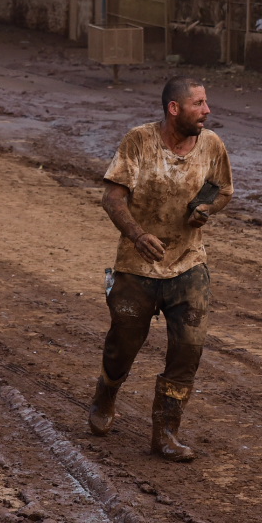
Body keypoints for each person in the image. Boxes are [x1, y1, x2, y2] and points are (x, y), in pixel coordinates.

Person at [89, 75, 233, 462]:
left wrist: (204, 209)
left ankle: (166, 433)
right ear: (175, 108)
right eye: (198, 104)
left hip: (189, 265)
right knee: (123, 345)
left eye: (206, 103)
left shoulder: (212, 145)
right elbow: (112, 198)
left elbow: (221, 190)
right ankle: (105, 396)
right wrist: (137, 235)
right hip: (137, 266)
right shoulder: (139, 141)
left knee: (188, 349)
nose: (207, 110)